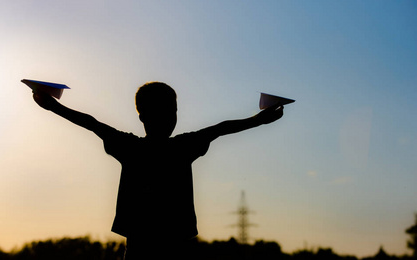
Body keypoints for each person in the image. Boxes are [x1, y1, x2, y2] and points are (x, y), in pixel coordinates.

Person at [32, 81, 284, 260]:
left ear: (142, 118)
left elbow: (91, 123)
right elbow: (221, 128)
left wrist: (53, 106)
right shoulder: (183, 147)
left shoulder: (130, 147)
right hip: (178, 248)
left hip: (139, 248)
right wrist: (258, 120)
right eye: (170, 111)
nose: (171, 117)